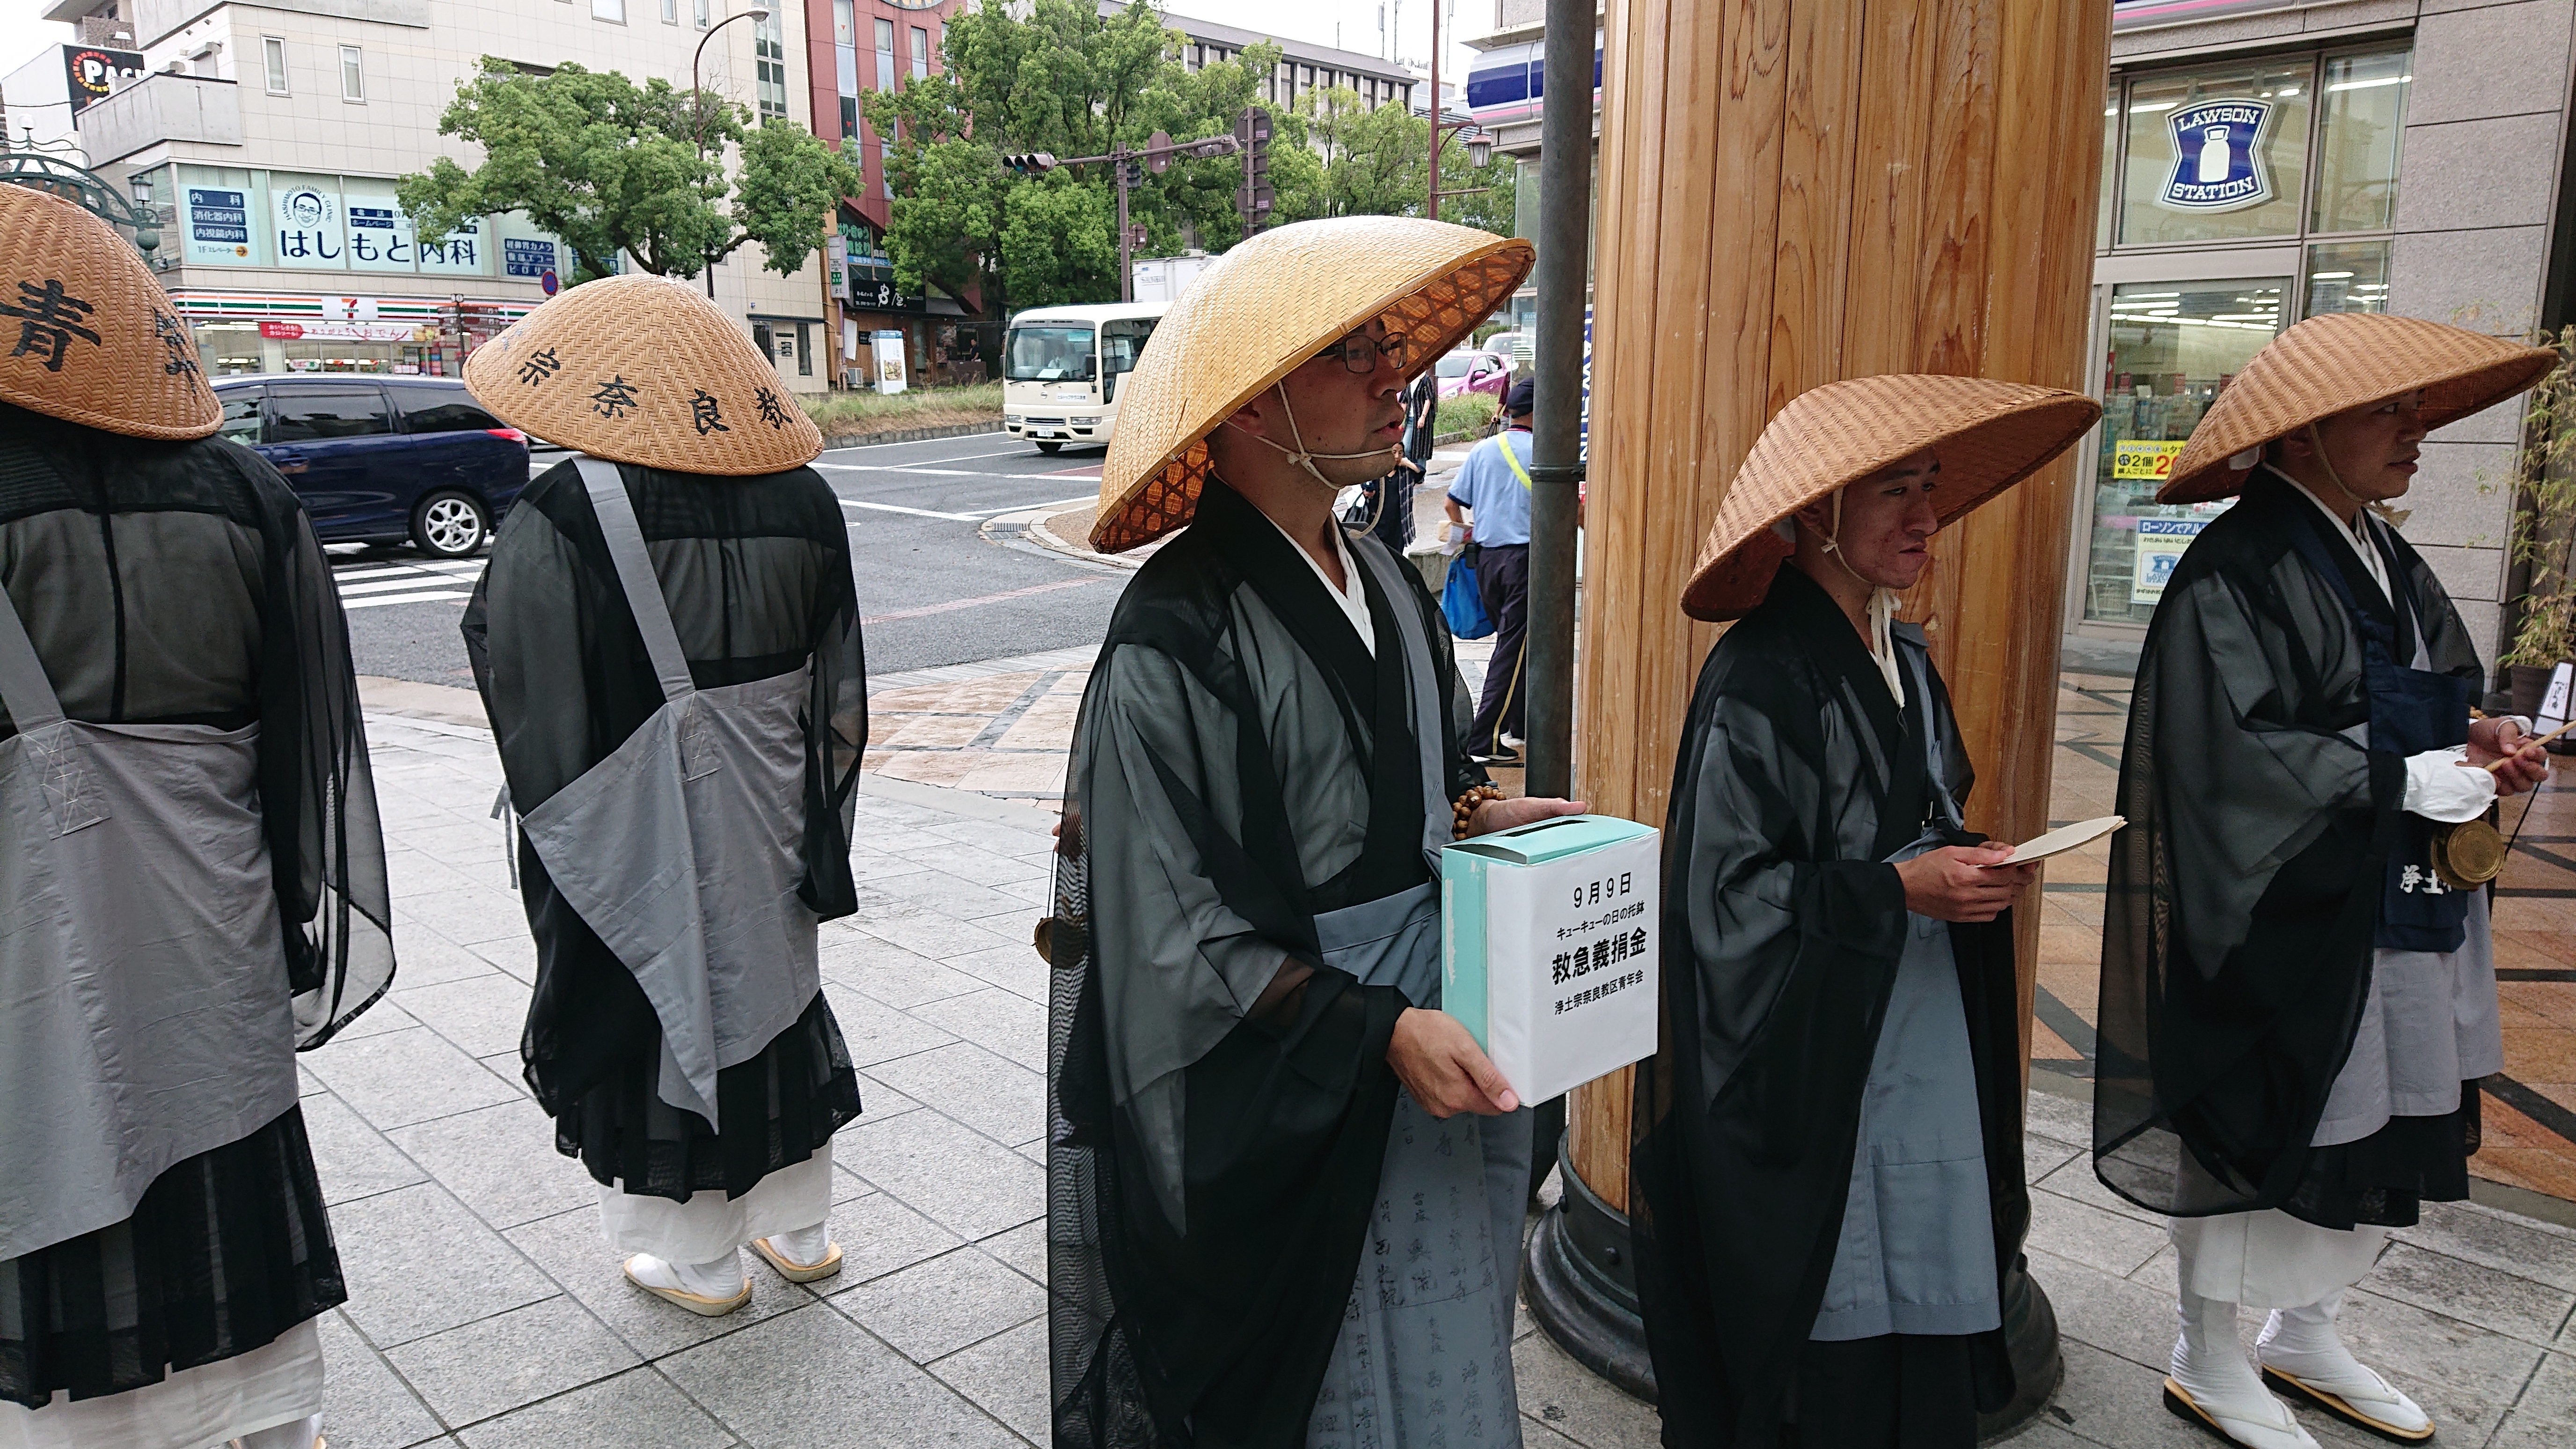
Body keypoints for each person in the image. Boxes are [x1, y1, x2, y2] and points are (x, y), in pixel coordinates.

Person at [1048, 216, 1583, 1449]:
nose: (1395, 376)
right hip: (1299, 1055)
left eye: (1390, 350)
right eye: (1353, 352)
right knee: (1325, 1377)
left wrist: (1480, 814)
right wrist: (1375, 1028)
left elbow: (1424, 773)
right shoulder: (1174, 634)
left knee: (1447, 1332)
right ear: (1250, 405)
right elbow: (1170, 929)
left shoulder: (1388, 580)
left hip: (1429, 1022)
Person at [2094, 313, 2558, 1449]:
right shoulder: (2237, 564)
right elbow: (2224, 749)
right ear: (2301, 437)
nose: (2415, 435)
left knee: (2378, 1119)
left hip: (2391, 900)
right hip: (2282, 907)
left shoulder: (2379, 546)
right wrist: (2394, 778)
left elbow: (2421, 684)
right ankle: (2206, 1348)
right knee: (2267, 1118)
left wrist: (2481, 733)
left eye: (2413, 411)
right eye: (2386, 413)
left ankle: (2306, 1330)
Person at [1632, 374, 2103, 1448]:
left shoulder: (1908, 658)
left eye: (1929, 488)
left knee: (1922, 1274)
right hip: (1820, 1045)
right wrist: (1899, 887)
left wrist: (1970, 860)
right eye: (1893, 491)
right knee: (1833, 1305)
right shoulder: (1758, 675)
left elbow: (1923, 814)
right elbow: (1722, 899)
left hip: (1912, 1016)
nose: (1925, 517)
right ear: (1815, 515)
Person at [0, 183, 395, 1449]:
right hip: (217, 926)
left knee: (50, 1153)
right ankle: (265, 1420)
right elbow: (305, 745)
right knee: (226, 1150)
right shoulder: (241, 498)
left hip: (24, 962)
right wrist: (280, 916)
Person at [459, 274, 869, 1317]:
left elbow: (521, 674)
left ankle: (701, 1262)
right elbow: (838, 690)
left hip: (637, 811)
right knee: (778, 991)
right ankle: (803, 1229)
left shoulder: (571, 508)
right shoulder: (807, 501)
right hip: (775, 802)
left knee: (666, 996)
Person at [1445, 379, 1537, 763]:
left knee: (1513, 644)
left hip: (1486, 562)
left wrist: (1469, 531)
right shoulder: (1542, 450)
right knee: (1512, 649)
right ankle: (1484, 739)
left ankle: (1518, 723)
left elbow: (1453, 505)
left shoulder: (1484, 449)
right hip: (1523, 561)